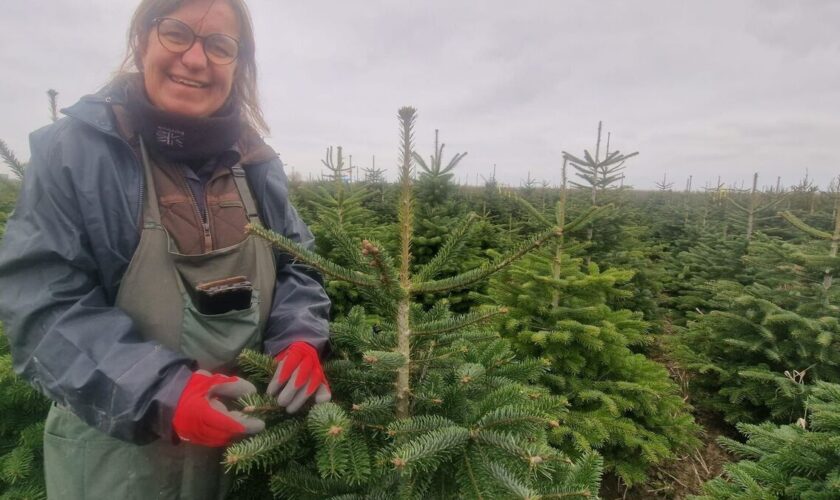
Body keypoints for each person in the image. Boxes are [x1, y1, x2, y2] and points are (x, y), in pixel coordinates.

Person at [0, 0, 332, 498]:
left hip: (248, 456)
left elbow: (298, 268)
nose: (196, 60)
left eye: (221, 46)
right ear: (142, 40)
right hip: (118, 464)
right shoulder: (76, 155)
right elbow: (44, 310)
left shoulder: (257, 162)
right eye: (177, 34)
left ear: (238, 66)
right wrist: (163, 392)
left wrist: (301, 338)